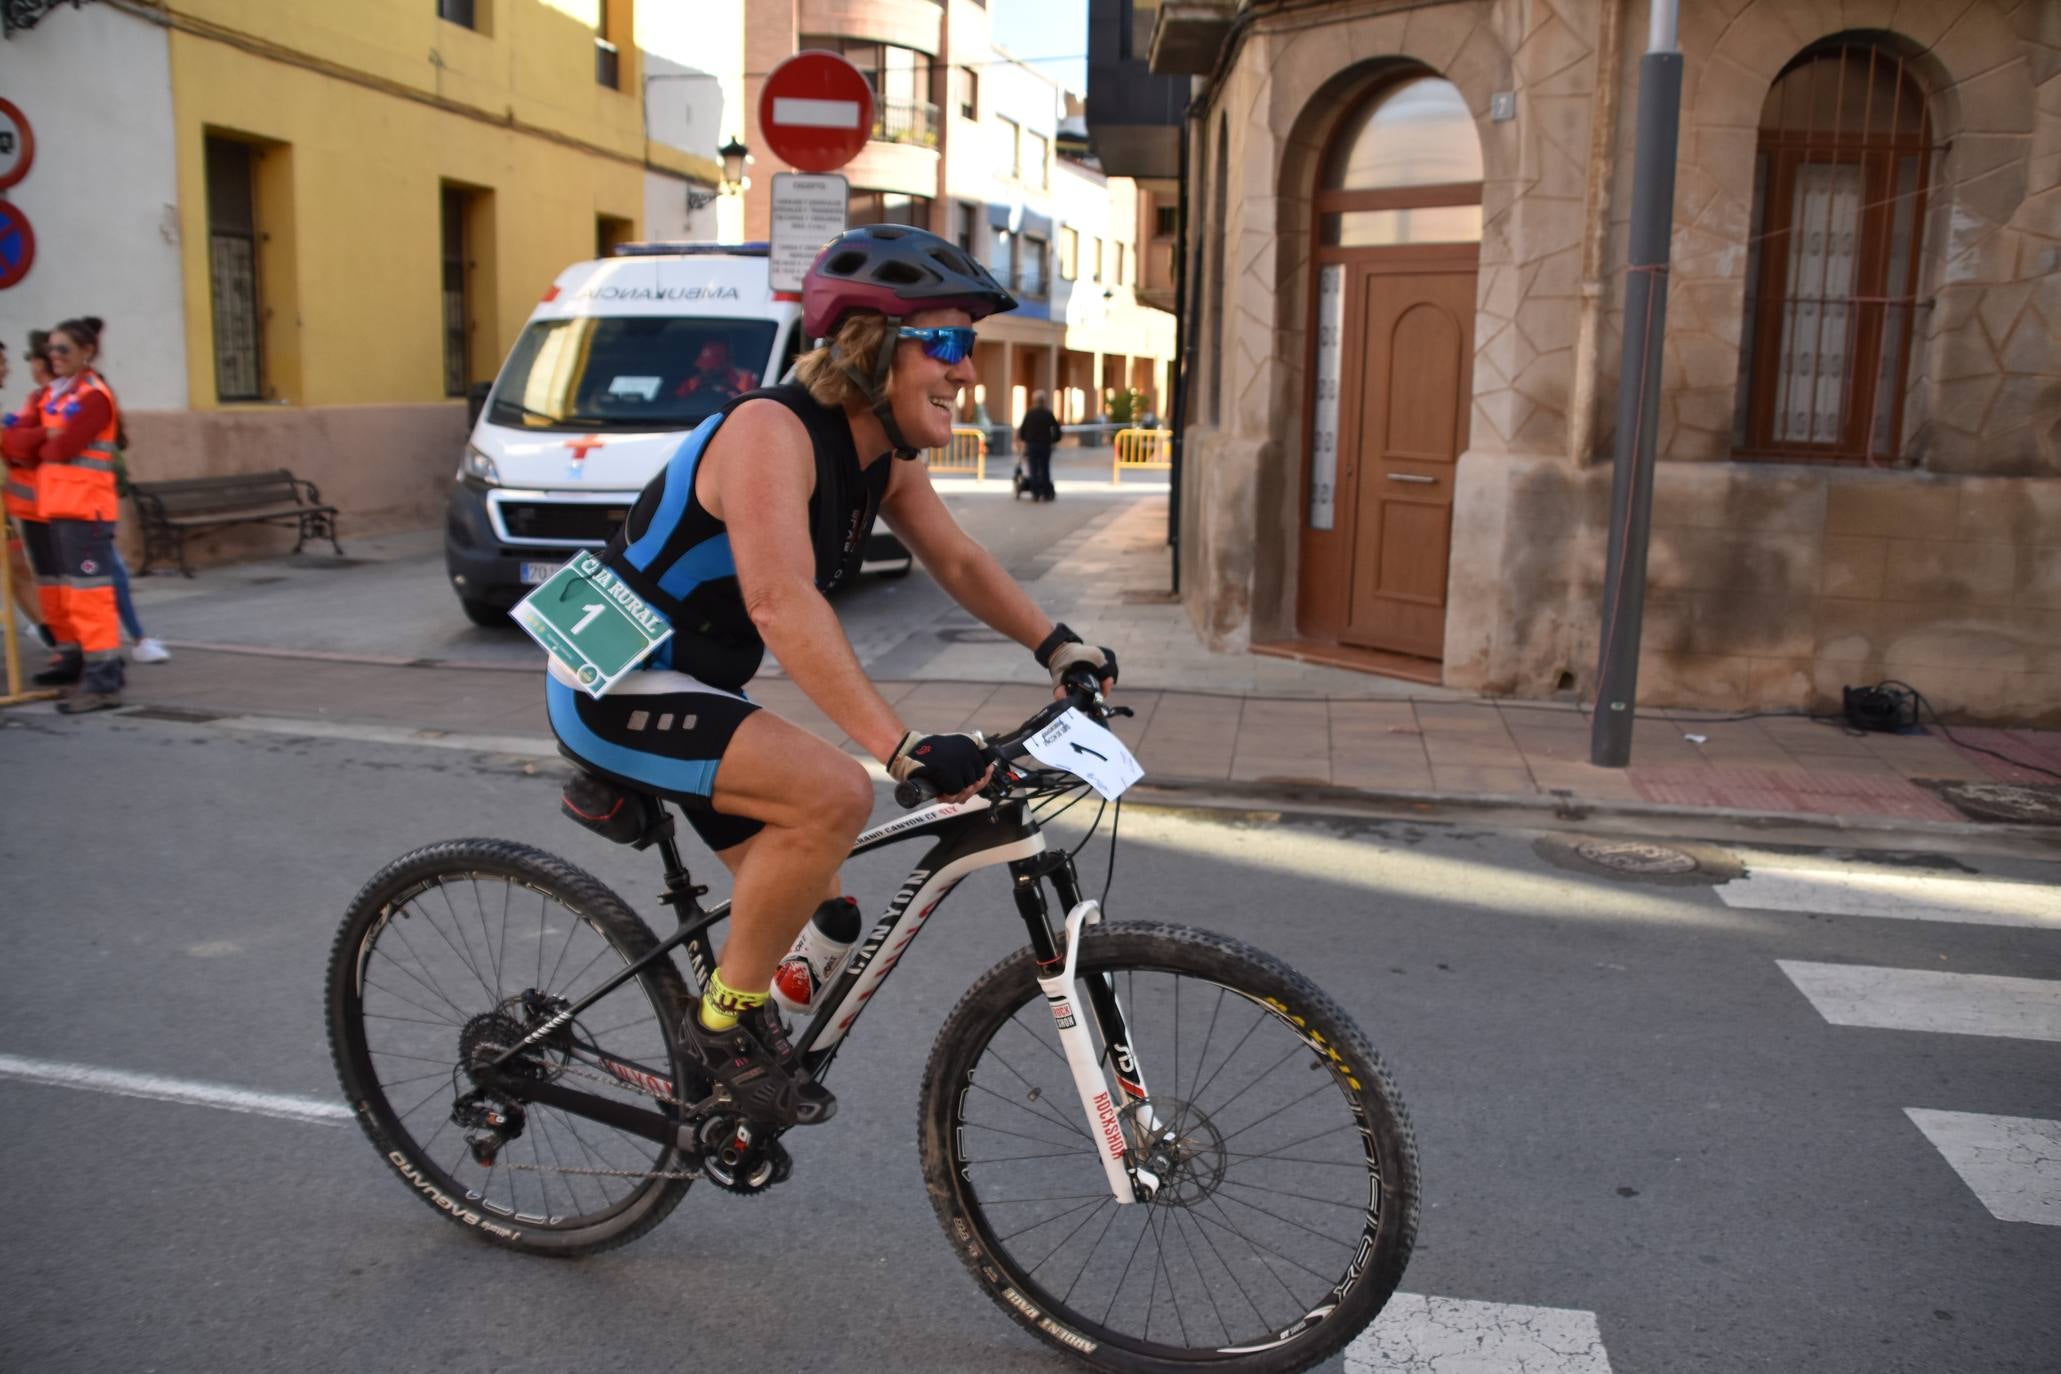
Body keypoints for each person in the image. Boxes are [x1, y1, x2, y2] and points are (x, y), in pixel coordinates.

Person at [546, 225, 1119, 1127]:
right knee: (832, 796)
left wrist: (1058, 646)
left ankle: (729, 1088)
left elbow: (959, 560)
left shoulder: (879, 454)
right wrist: (896, 748)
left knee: (831, 920)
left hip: (699, 689)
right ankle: (723, 1032)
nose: (966, 369)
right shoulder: (770, 432)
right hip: (613, 681)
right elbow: (779, 601)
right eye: (947, 342)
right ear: (871, 349)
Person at [6, 317, 126, 713]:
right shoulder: (56, 397)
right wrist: (42, 440)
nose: (53, 356)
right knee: (67, 591)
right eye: (51, 350)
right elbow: (16, 444)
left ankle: (104, 679)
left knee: (91, 594)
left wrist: (39, 444)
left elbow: (59, 449)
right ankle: (80, 662)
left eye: (63, 350)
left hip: (86, 512)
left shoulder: (94, 397)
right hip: (59, 508)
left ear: (86, 353)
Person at [672, 338, 757, 404]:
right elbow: (677, 404)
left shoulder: (747, 379)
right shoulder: (692, 382)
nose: (705, 370)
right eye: (703, 366)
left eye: (712, 367)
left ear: (727, 362)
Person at [1017, 389, 1062, 502]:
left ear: (1034, 400)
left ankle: (1035, 492)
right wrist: (1055, 440)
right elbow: (1056, 428)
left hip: (1032, 445)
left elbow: (1022, 430)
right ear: (1044, 401)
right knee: (1045, 468)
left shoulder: (1030, 413)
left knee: (1033, 469)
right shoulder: (1048, 413)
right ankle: (1046, 493)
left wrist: (1024, 439)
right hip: (1045, 445)